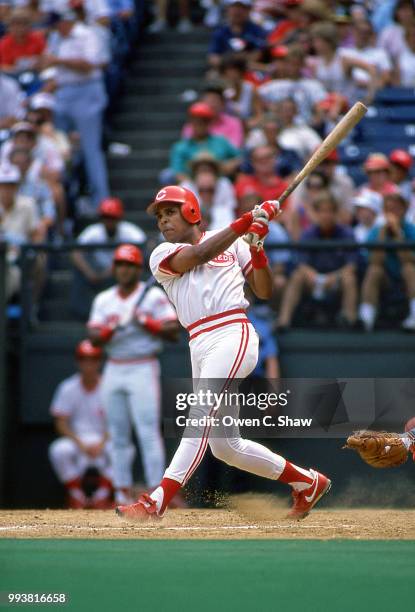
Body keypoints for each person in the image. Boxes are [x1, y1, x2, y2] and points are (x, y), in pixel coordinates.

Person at [115, 185, 331, 521]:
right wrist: (247, 223)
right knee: (225, 446)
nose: (163, 221)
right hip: (199, 341)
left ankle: (156, 501)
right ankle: (307, 481)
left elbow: (263, 290)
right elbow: (197, 256)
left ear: (190, 211)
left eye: (170, 212)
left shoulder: (233, 243)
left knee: (198, 415)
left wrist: (257, 249)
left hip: (233, 332)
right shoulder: (161, 254)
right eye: (159, 216)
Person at [87, 244, 180, 506]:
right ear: (114, 268)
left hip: (143, 366)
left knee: (148, 432)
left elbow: (173, 330)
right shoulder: (104, 299)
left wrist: (148, 323)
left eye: (129, 265)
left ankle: (154, 493)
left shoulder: (151, 296)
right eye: (120, 264)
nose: (124, 269)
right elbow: (93, 339)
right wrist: (108, 331)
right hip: (114, 366)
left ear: (138, 269)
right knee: (118, 435)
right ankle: (121, 491)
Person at [40, 10, 109, 208]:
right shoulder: (55, 37)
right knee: (59, 148)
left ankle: (101, 201)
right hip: (62, 92)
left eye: (58, 23)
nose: (55, 27)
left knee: (90, 149)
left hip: (86, 91)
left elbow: (90, 64)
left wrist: (58, 61)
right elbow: (51, 65)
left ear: (67, 22)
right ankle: (68, 201)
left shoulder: (87, 34)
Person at [277, 192, 358, 330]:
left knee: (349, 278)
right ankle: (283, 321)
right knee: (297, 276)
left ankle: (349, 319)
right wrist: (312, 275)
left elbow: (352, 264)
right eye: (322, 211)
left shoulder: (346, 233)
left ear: (336, 213)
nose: (326, 215)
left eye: (330, 211)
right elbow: (301, 263)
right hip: (312, 280)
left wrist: (334, 277)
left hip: (336, 280)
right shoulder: (308, 233)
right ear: (315, 213)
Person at [49, 340, 113, 510]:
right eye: (84, 359)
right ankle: (76, 495)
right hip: (78, 441)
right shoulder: (67, 387)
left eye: (93, 359)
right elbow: (60, 422)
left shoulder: (109, 387)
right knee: (59, 450)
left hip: (103, 440)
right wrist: (80, 443)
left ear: (99, 362)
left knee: (124, 449)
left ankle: (102, 496)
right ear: (78, 362)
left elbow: (117, 423)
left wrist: (101, 443)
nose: (88, 364)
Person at [71, 197, 146, 320]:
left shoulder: (129, 231)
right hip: (96, 271)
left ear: (119, 218)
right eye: (106, 217)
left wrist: (113, 269)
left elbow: (143, 248)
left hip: (119, 272)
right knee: (78, 269)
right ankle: (83, 314)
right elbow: (75, 252)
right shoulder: (93, 231)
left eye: (112, 218)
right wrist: (89, 272)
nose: (109, 221)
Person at [359, 189, 415, 332]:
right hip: (386, 280)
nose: (393, 213)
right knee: (374, 270)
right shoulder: (377, 230)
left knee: (409, 269)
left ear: (404, 209)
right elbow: (374, 261)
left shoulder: (411, 229)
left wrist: (397, 234)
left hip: (406, 279)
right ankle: (366, 318)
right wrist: (383, 233)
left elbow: (408, 260)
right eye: (389, 209)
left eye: (396, 209)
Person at [169, 102, 242, 182]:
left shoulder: (221, 141)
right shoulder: (180, 147)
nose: (200, 123)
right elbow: (178, 173)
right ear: (191, 122)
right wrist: (198, 186)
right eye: (196, 120)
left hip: (219, 183)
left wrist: (230, 164)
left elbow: (239, 157)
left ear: (210, 122)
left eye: (204, 120)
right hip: (192, 185)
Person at [208, 0, 267, 71]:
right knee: (212, 75)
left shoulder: (257, 30)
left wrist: (239, 59)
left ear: (248, 10)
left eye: (241, 8)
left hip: (251, 70)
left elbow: (259, 54)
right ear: (228, 10)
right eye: (234, 8)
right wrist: (231, 60)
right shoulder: (221, 32)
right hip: (227, 70)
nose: (237, 11)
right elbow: (213, 58)